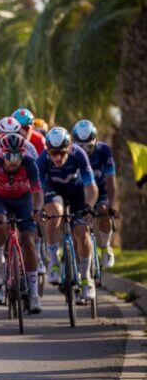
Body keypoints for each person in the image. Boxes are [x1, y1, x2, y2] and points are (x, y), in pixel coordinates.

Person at [0, 133, 45, 313]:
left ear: (23, 155)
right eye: (9, 156)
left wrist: (37, 210)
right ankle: (0, 261)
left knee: (28, 241)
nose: (13, 161)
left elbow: (37, 192)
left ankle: (33, 295)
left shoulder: (29, 164)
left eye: (17, 156)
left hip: (22, 200)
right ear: (1, 154)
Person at [38, 127, 99, 302]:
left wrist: (89, 206)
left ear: (69, 148)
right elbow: (37, 191)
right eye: (53, 152)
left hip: (76, 191)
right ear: (48, 150)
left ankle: (87, 279)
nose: (57, 157)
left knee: (82, 232)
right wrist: (40, 209)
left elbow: (92, 188)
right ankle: (54, 262)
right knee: (54, 213)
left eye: (62, 153)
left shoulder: (78, 154)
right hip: (53, 190)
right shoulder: (42, 160)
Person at [72, 119, 119, 268]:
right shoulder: (70, 152)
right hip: (79, 194)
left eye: (89, 147)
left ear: (96, 141)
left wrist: (112, 205)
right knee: (77, 231)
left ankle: (105, 247)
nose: (85, 151)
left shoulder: (105, 151)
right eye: (81, 147)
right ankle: (79, 269)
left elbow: (111, 181)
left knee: (104, 212)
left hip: (100, 191)